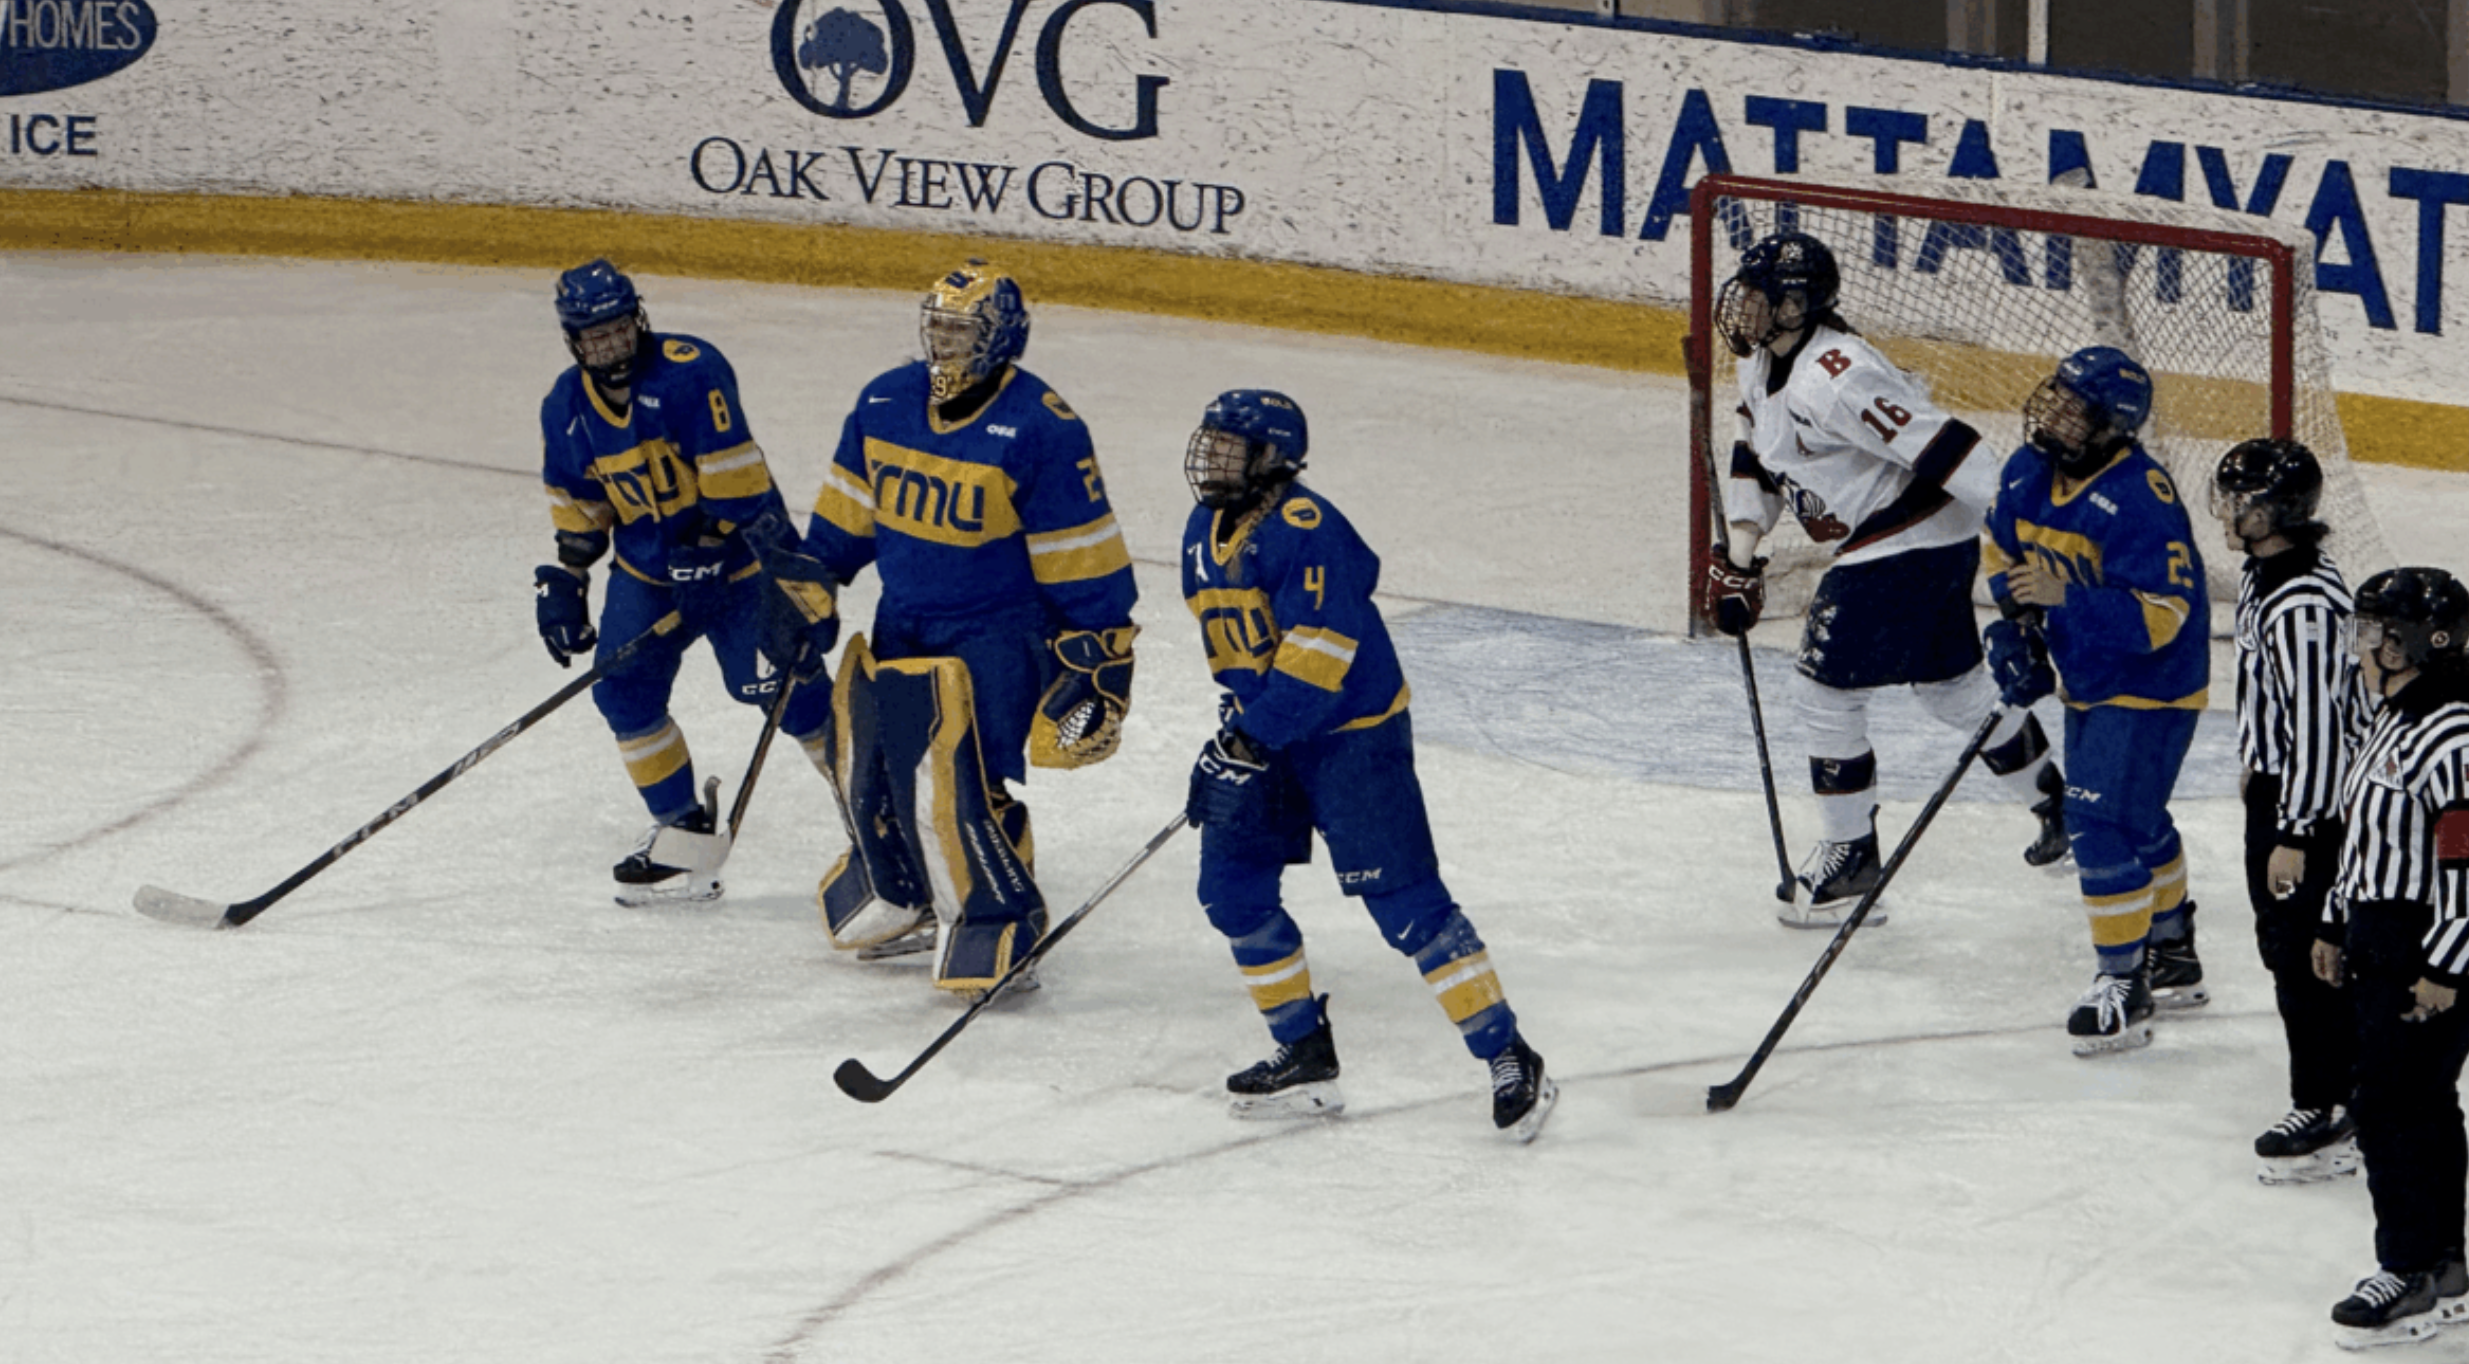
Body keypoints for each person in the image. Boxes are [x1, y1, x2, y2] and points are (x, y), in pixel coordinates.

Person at [1177, 389, 1556, 1143]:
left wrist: (1256, 733)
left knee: (1408, 907)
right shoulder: (1202, 527)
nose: (1211, 460)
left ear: (1273, 459)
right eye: (1209, 444)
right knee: (1230, 892)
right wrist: (1238, 728)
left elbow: (1320, 654)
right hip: (1265, 734)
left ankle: (1508, 1053)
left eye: (1230, 449)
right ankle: (1303, 1053)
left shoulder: (1307, 529)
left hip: (1352, 739)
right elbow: (1240, 646)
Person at [767, 261, 1138, 998]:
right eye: (937, 328)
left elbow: (1080, 552)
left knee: (965, 778)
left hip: (996, 633)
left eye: (961, 333)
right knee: (874, 758)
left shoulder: (1040, 428)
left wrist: (1099, 656)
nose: (943, 347)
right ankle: (907, 891)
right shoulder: (884, 401)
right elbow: (847, 514)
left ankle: (1000, 915)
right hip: (903, 617)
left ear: (1000, 340)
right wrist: (811, 582)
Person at [1704, 230, 2068, 930]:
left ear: (1800, 307)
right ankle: (2060, 807)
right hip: (1908, 542)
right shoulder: (1758, 366)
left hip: (1906, 540)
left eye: (1764, 298)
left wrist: (2028, 541)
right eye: (1746, 293)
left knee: (1823, 691)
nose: (1745, 308)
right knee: (1953, 691)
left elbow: (1947, 446)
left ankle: (1851, 857)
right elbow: (1757, 456)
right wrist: (1742, 556)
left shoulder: (1837, 376)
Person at [534, 259, 819, 905]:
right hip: (650, 570)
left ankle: (881, 823)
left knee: (783, 694)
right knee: (623, 693)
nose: (610, 345)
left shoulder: (692, 370)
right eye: (594, 336)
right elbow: (581, 504)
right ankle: (681, 830)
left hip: (745, 557)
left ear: (637, 320)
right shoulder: (565, 407)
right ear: (574, 341)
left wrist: (710, 550)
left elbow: (736, 477)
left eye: (617, 329)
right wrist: (566, 578)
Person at [1981, 346, 2211, 1056]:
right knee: (2137, 819)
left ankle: (2123, 982)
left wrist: (2062, 601)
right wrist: (2014, 627)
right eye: (2053, 395)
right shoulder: (2026, 471)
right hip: (2086, 676)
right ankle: (2171, 953)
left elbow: (2160, 616)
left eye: (2073, 407)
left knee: (2092, 820)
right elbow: (1999, 551)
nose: (2052, 412)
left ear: (2110, 424)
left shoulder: (2141, 498)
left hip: (2152, 686)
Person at [2313, 566, 2469, 1347]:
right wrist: (2335, 921)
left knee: (2389, 1105)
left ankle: (2407, 1266)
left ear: (2415, 642)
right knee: (2417, 1103)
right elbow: (2367, 831)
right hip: (2379, 936)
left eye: (2375, 631)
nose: (2361, 645)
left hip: (2422, 945)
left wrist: (2443, 967)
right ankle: (2442, 1264)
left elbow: (2464, 861)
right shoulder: (2391, 715)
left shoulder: (2448, 728)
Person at [2212, 439, 2367, 1183]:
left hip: (2309, 803)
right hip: (2280, 786)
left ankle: (2329, 1099)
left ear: (2277, 509)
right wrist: (2255, 762)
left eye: (2242, 497)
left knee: (2303, 952)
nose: (2230, 509)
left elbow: (2317, 727)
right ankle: (2340, 1087)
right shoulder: (2263, 575)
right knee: (2289, 948)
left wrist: (2295, 832)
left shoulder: (2301, 601)